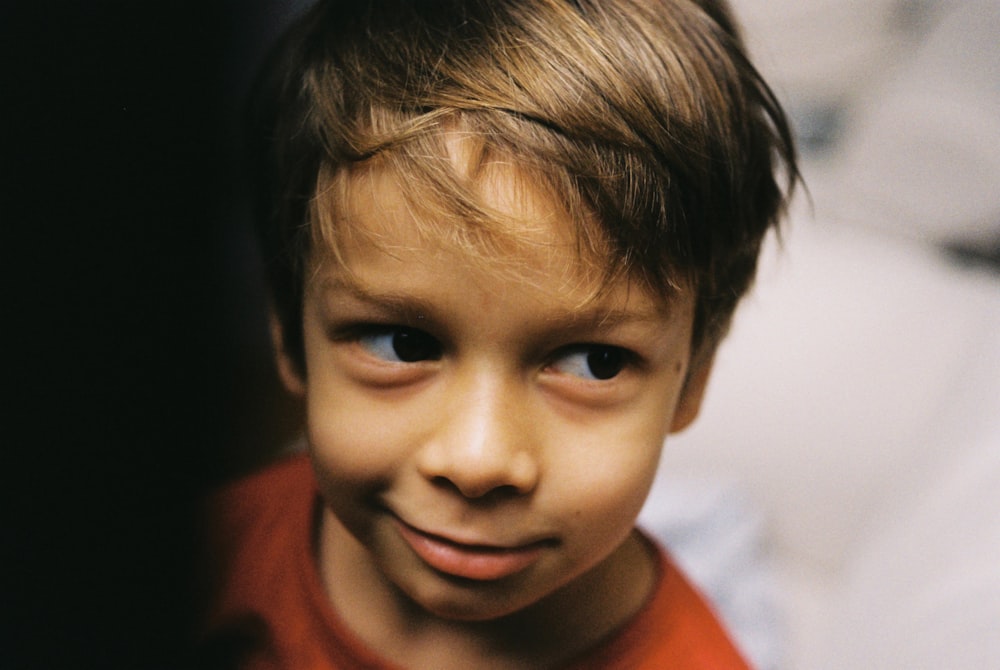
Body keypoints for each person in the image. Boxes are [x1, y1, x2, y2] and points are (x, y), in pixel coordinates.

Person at [200, 0, 797, 667]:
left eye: (594, 362)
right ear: (287, 330)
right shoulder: (212, 554)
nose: (478, 460)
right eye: (403, 344)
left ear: (697, 373)